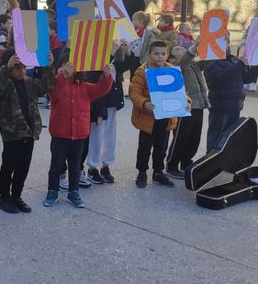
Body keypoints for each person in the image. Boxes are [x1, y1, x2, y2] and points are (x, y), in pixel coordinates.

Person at [43, 61, 114, 208]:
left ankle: (73, 192)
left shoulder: (85, 86)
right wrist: (62, 77)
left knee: (75, 166)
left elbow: (101, 90)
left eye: (71, 67)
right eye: (64, 66)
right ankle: (52, 191)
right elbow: (53, 94)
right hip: (60, 134)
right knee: (56, 165)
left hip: (79, 134)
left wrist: (106, 76)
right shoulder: (56, 85)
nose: (68, 69)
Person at [0, 50, 54, 213]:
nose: (22, 71)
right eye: (17, 68)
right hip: (12, 133)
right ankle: (4, 197)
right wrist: (5, 69)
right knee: (9, 166)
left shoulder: (29, 82)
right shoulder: (4, 83)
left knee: (23, 167)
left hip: (29, 131)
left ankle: (16, 196)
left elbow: (46, 86)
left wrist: (48, 67)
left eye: (24, 68)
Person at [128, 41, 184, 188]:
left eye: (163, 54)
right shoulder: (142, 71)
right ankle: (142, 172)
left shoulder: (172, 70)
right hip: (148, 118)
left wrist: (186, 102)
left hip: (165, 118)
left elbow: (180, 91)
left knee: (161, 148)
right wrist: (144, 103)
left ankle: (158, 172)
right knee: (144, 148)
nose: (160, 57)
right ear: (149, 54)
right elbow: (134, 92)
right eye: (156, 53)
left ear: (167, 55)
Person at [87, 41, 128, 185]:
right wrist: (98, 111)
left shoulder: (113, 61)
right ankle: (92, 167)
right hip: (100, 106)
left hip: (113, 105)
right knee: (96, 138)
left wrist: (124, 49)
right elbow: (96, 86)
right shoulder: (94, 62)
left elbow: (125, 66)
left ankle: (106, 165)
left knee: (110, 137)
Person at [166, 44, 208, 178]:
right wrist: (194, 47)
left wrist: (219, 45)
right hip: (184, 107)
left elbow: (210, 60)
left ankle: (186, 162)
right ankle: (172, 165)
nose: (182, 49)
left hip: (199, 106)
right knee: (181, 138)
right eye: (176, 49)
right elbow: (183, 61)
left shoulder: (194, 65)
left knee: (194, 138)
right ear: (171, 56)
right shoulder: (175, 66)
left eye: (182, 47)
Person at [203, 43, 249, 152]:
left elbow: (246, 78)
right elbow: (218, 79)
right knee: (215, 138)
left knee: (229, 139)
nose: (225, 44)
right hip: (220, 106)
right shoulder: (211, 61)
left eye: (226, 40)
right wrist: (240, 65)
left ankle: (224, 162)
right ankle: (210, 163)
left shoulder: (233, 59)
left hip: (235, 105)